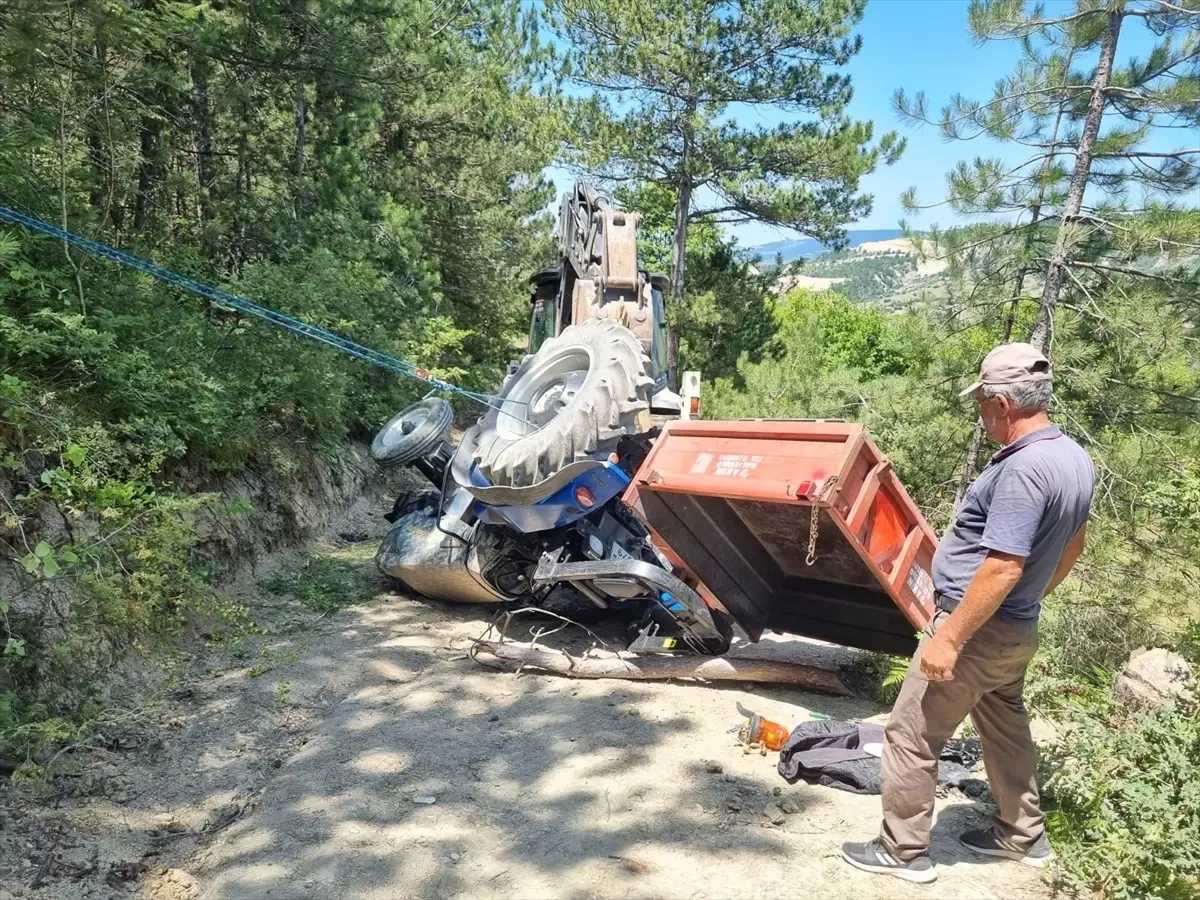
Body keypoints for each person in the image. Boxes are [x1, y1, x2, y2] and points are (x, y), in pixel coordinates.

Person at [840, 342, 1095, 885]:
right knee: (1004, 726)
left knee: (910, 733)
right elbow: (1074, 542)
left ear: (1003, 403)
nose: (980, 412)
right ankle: (1022, 835)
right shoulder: (1073, 457)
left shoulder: (1025, 470)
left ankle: (902, 851)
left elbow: (1003, 566)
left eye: (982, 402)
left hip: (976, 632)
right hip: (1014, 630)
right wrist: (1029, 601)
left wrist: (951, 637)